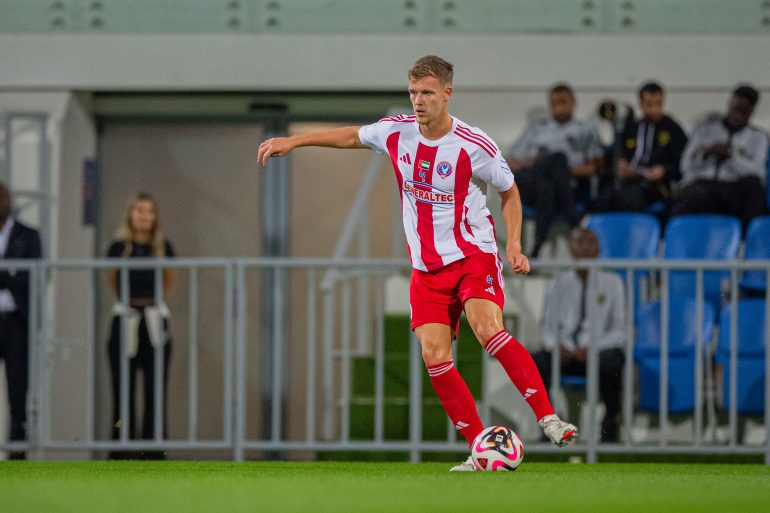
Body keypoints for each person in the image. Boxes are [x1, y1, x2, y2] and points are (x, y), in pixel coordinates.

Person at [257, 55, 578, 471]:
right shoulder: (396, 132)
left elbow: (510, 192)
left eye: (426, 92)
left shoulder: (473, 145)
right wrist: (295, 142)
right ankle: (481, 447)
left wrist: (513, 244)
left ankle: (548, 418)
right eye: (412, 92)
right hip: (427, 269)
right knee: (433, 354)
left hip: (472, 255)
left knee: (487, 329)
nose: (418, 100)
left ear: (447, 93)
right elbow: (351, 136)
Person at [531, 228, 626, 442]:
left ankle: (610, 422)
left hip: (596, 353)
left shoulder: (613, 282)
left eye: (590, 242)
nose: (584, 247)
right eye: (579, 242)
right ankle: (550, 423)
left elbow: (620, 330)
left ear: (599, 248)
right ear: (571, 249)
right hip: (564, 353)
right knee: (536, 362)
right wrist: (556, 346)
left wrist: (593, 347)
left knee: (613, 361)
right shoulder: (558, 281)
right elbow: (547, 326)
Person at [106, 192, 175, 459]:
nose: (144, 215)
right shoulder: (118, 247)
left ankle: (154, 450)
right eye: (139, 210)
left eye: (149, 210)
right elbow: (112, 279)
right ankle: (120, 448)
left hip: (155, 321)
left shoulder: (162, 247)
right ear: (130, 214)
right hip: (125, 319)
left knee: (155, 389)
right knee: (122, 390)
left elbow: (169, 279)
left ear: (155, 216)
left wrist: (153, 304)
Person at [506, 83, 604, 257]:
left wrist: (566, 170)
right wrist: (532, 161)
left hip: (568, 186)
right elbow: (510, 162)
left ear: (573, 102)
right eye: (554, 103)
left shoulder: (585, 129)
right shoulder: (537, 128)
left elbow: (596, 167)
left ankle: (536, 248)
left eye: (563, 102)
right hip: (532, 179)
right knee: (555, 160)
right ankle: (572, 218)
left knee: (549, 184)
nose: (559, 107)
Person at [671, 85, 768, 230]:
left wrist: (732, 158)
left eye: (744, 111)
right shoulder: (704, 129)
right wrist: (706, 154)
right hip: (703, 184)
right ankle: (670, 239)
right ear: (730, 105)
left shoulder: (758, 137)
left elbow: (758, 172)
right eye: (735, 109)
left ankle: (746, 241)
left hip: (732, 188)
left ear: (751, 112)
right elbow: (685, 166)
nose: (738, 115)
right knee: (691, 196)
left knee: (754, 188)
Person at [596, 81, 687, 213]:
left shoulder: (673, 128)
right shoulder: (631, 127)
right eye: (649, 104)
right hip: (629, 180)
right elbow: (621, 154)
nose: (654, 109)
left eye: (658, 104)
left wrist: (664, 170)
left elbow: (682, 161)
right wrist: (621, 165)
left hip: (656, 185)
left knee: (630, 198)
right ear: (641, 104)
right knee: (605, 197)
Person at [0, 183, 42, 460]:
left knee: (18, 389)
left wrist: (5, 277)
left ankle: (17, 456)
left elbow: (35, 277)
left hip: (16, 320)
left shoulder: (28, 235)